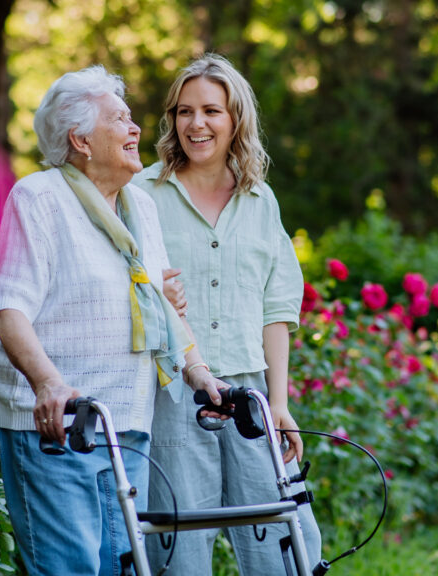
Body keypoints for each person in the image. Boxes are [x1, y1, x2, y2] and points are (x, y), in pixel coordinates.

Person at [0, 65, 226, 576]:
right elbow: (8, 309)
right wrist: (49, 382)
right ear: (81, 139)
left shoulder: (138, 204)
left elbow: (158, 302)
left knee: (120, 567)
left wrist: (198, 370)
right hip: (57, 425)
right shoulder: (40, 198)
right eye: (119, 119)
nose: (137, 129)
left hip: (125, 423)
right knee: (70, 567)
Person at [132, 54, 322, 575]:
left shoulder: (261, 201)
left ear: (236, 118)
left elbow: (276, 309)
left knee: (285, 548)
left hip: (250, 398)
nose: (197, 124)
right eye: (185, 111)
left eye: (212, 110)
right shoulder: (141, 196)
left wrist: (278, 403)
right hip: (172, 396)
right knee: (177, 553)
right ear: (171, 119)